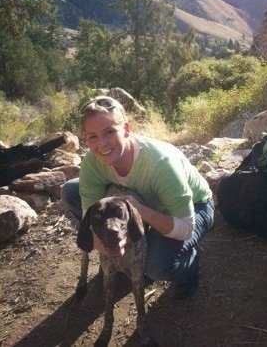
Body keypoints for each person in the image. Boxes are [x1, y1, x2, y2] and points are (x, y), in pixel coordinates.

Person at [61, 95, 215, 299]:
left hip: (193, 209)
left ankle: (189, 267)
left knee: (156, 267)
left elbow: (186, 229)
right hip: (143, 200)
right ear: (86, 140)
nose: (102, 144)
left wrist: (140, 212)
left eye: (109, 132)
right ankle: (142, 243)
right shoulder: (92, 163)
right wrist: (110, 247)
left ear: (126, 129)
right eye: (93, 137)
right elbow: (90, 220)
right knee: (71, 191)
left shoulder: (160, 163)